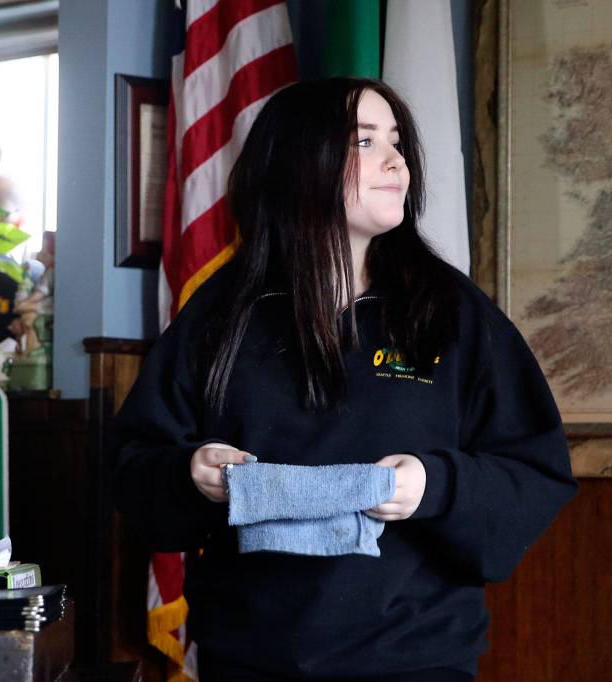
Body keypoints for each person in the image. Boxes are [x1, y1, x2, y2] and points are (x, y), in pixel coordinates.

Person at [108, 78, 578, 681]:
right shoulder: (221, 313)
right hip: (244, 661)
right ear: (301, 164)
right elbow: (133, 466)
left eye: (397, 141)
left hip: (415, 660)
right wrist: (191, 474)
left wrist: (431, 486)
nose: (396, 161)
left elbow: (534, 471)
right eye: (364, 141)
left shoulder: (451, 310)